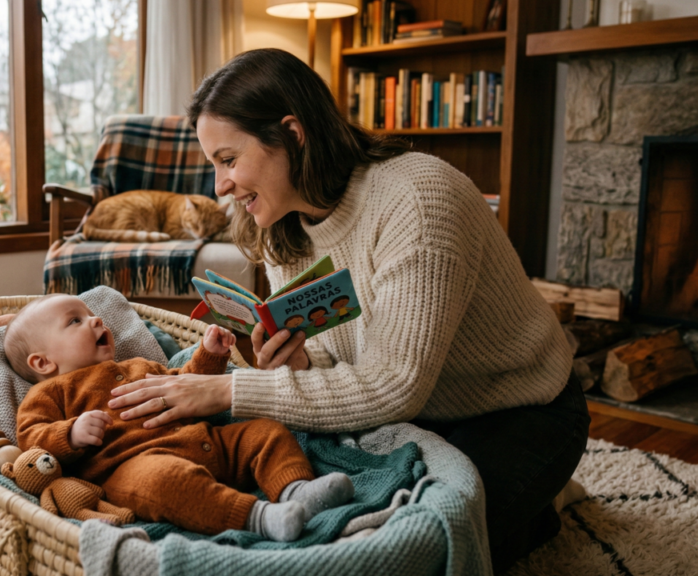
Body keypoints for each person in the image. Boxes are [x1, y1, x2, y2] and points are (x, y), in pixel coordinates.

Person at [106, 48, 589, 572]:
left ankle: (540, 501)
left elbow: (393, 384)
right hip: (417, 415)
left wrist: (226, 389)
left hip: (520, 410)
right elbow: (344, 364)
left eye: (228, 160)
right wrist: (299, 362)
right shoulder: (283, 225)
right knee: (327, 521)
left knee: (414, 554)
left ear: (293, 135)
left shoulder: (417, 199)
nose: (220, 185)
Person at [7, 294, 354, 541]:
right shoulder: (49, 393)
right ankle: (260, 518)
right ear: (43, 362)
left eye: (91, 314)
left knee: (264, 432)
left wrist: (209, 356)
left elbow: (183, 385)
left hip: (203, 440)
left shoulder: (138, 366)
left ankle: (296, 490)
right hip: (133, 466)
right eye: (75, 321)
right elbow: (31, 439)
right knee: (165, 482)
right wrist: (70, 434)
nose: (96, 320)